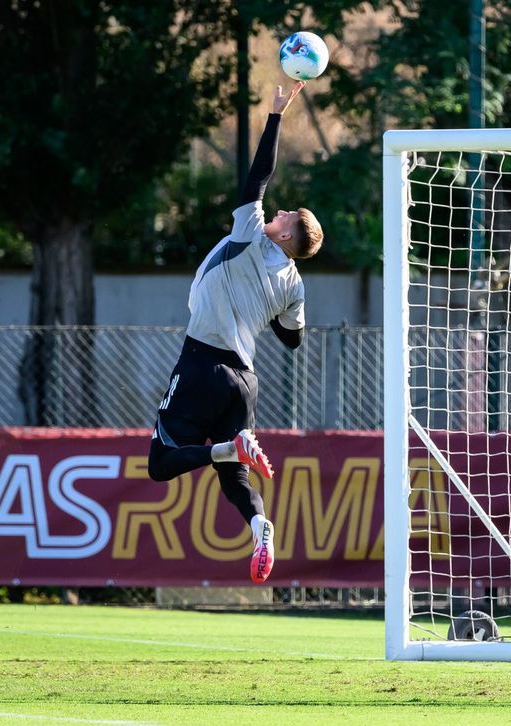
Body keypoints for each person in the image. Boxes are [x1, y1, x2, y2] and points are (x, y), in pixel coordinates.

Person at [146, 81, 324, 584]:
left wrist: (275, 114)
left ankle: (228, 449)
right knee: (235, 479)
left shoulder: (250, 233)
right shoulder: (294, 284)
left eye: (287, 216)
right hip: (245, 380)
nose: (280, 212)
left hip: (203, 361)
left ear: (286, 235)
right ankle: (259, 525)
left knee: (161, 462)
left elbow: (257, 178)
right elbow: (293, 340)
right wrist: (261, 310)